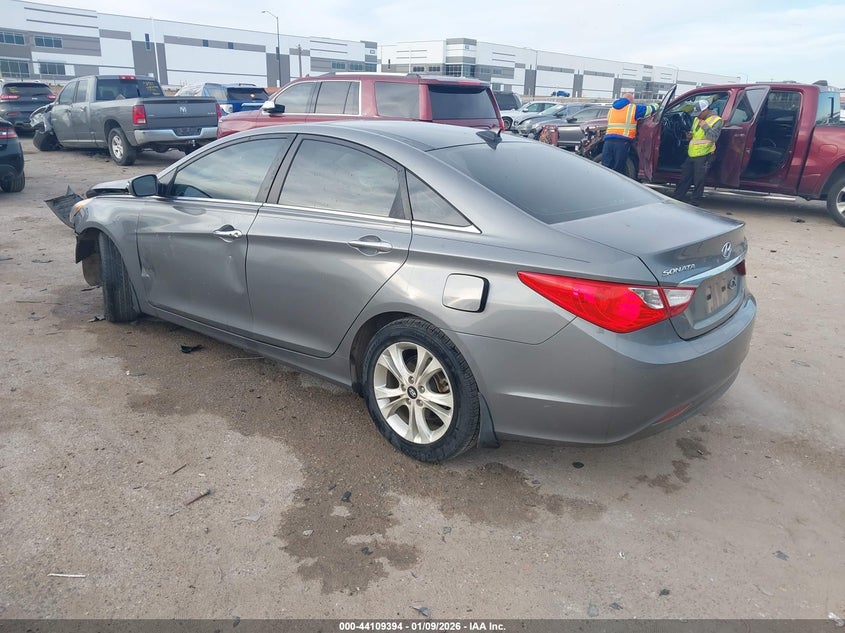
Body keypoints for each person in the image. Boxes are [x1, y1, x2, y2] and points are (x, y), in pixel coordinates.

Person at [673, 99, 724, 205]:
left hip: (704, 155)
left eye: (699, 113)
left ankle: (695, 202)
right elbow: (696, 135)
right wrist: (689, 136)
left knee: (699, 180)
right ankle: (676, 198)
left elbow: (714, 137)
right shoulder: (697, 119)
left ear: (705, 110)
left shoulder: (717, 120)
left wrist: (705, 126)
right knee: (685, 178)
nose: (697, 115)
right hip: (692, 153)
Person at [601, 92, 660, 175]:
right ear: (630, 100)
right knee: (618, 167)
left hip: (608, 141)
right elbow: (648, 109)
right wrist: (658, 105)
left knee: (605, 166)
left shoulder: (612, 109)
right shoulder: (633, 108)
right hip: (622, 142)